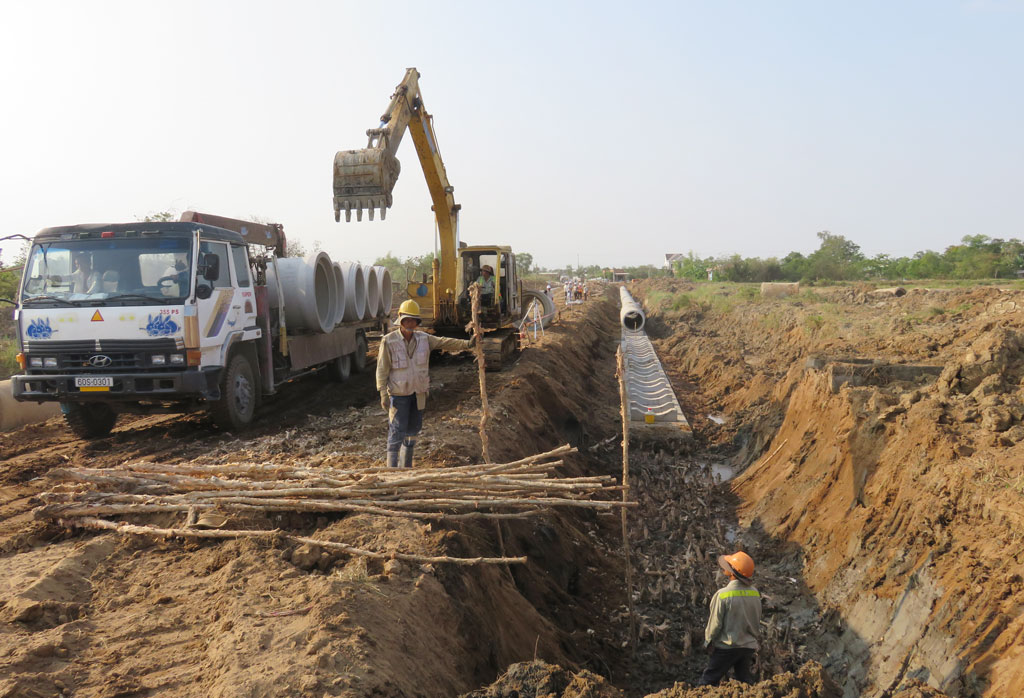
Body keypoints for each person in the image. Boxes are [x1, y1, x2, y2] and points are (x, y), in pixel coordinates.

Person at [376, 299, 474, 468]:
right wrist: (383, 393)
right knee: (397, 430)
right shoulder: (389, 341)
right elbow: (382, 368)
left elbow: (445, 342)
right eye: (406, 320)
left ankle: (406, 468)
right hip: (399, 395)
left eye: (413, 320)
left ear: (417, 322)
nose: (409, 323)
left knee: (413, 430)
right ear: (400, 319)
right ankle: (391, 470)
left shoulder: (424, 339)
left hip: (418, 393)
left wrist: (467, 344)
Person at [699, 551, 761, 686]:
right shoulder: (755, 593)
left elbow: (715, 625)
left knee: (708, 680)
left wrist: (707, 642)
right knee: (745, 682)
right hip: (748, 646)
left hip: (727, 647)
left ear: (732, 573)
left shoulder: (722, 595)